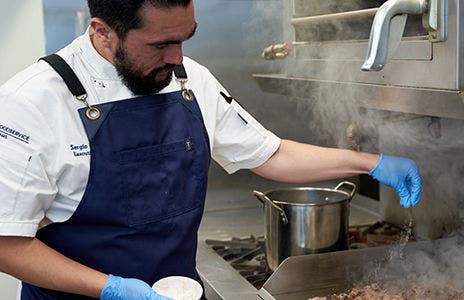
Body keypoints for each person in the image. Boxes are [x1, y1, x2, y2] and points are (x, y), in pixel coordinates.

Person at [0, 0, 422, 299]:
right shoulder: (30, 103)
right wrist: (110, 289)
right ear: (102, 31)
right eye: (160, 44)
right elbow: (6, 243)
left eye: (185, 38)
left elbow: (270, 154)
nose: (178, 56)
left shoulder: (190, 80)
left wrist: (371, 163)